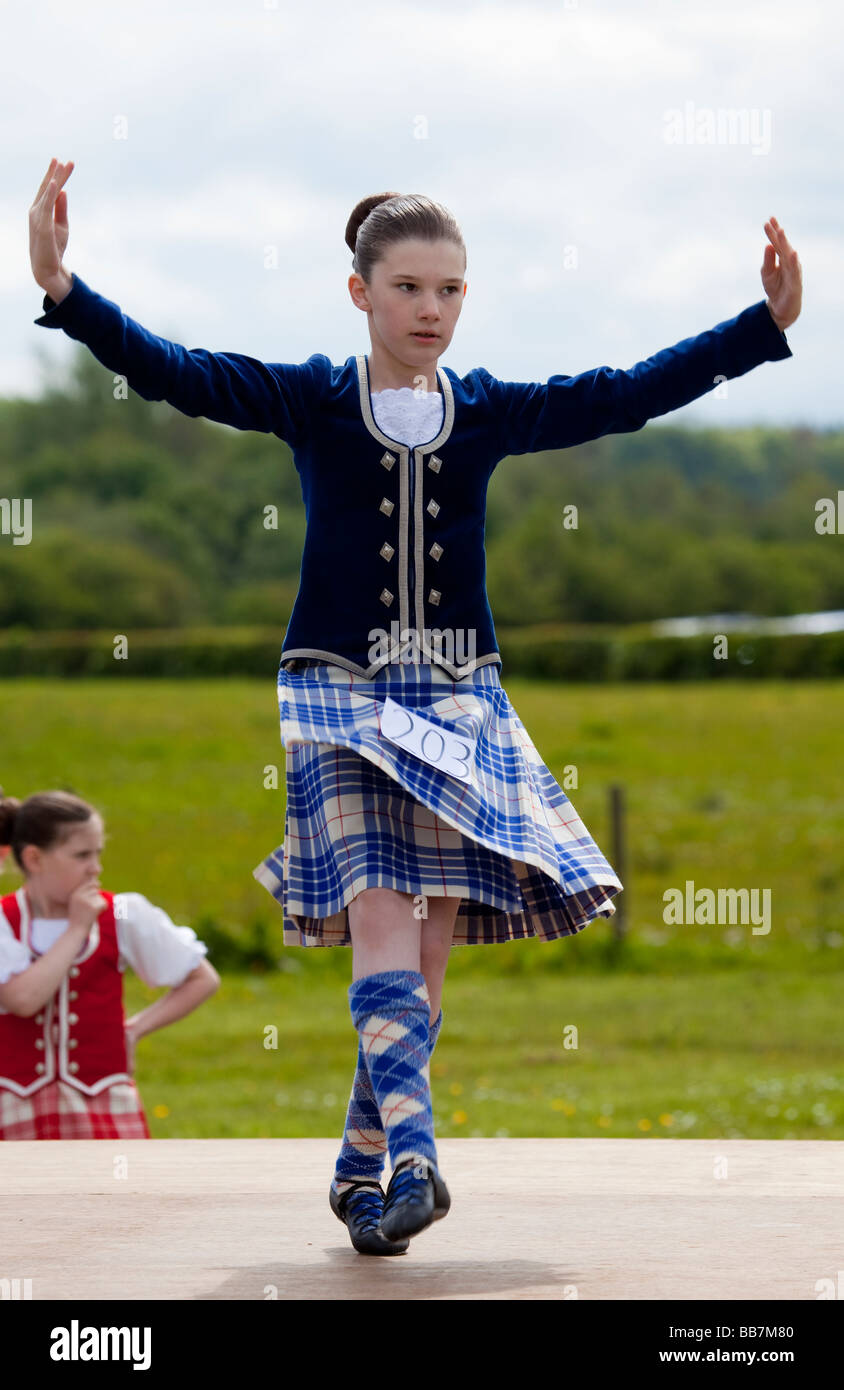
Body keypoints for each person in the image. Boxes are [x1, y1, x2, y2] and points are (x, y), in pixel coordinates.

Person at [28, 159, 802, 1252]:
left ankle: (360, 1177)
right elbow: (179, 372)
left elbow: (622, 393)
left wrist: (756, 326)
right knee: (381, 915)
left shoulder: (485, 412)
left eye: (448, 291)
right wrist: (66, 290)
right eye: (406, 289)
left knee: (424, 973)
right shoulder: (309, 396)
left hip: (456, 701)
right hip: (337, 697)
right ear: (360, 292)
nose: (429, 310)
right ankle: (417, 1158)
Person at [0, 787, 220, 1140]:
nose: (96, 868)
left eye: (98, 853)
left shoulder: (121, 913)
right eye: (81, 855)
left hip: (102, 1104)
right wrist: (76, 928)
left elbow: (202, 978)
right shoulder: (4, 920)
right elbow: (22, 1000)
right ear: (35, 859)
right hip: (15, 1106)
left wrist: (133, 1030)